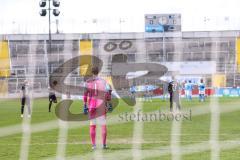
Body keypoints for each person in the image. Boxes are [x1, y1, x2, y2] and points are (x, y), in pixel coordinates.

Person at [83, 66, 112, 150]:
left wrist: (85, 105)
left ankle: (94, 145)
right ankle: (104, 145)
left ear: (91, 72)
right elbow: (107, 94)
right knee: (103, 126)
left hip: (92, 106)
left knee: (92, 126)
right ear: (98, 72)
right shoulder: (103, 82)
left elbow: (85, 95)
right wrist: (109, 103)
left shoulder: (87, 82)